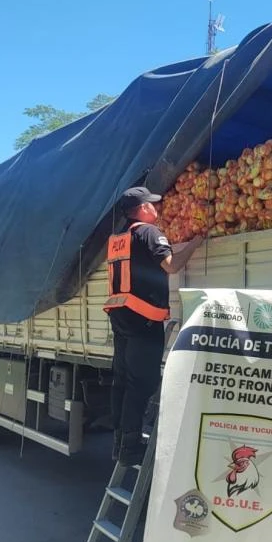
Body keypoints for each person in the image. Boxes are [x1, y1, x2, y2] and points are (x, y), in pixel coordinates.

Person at [104, 186, 204, 465]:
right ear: (142, 209)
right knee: (142, 382)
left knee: (122, 382)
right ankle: (130, 446)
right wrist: (194, 244)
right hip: (144, 318)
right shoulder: (149, 232)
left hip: (121, 315)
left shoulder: (119, 238)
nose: (155, 208)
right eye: (151, 204)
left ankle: (119, 442)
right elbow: (170, 266)